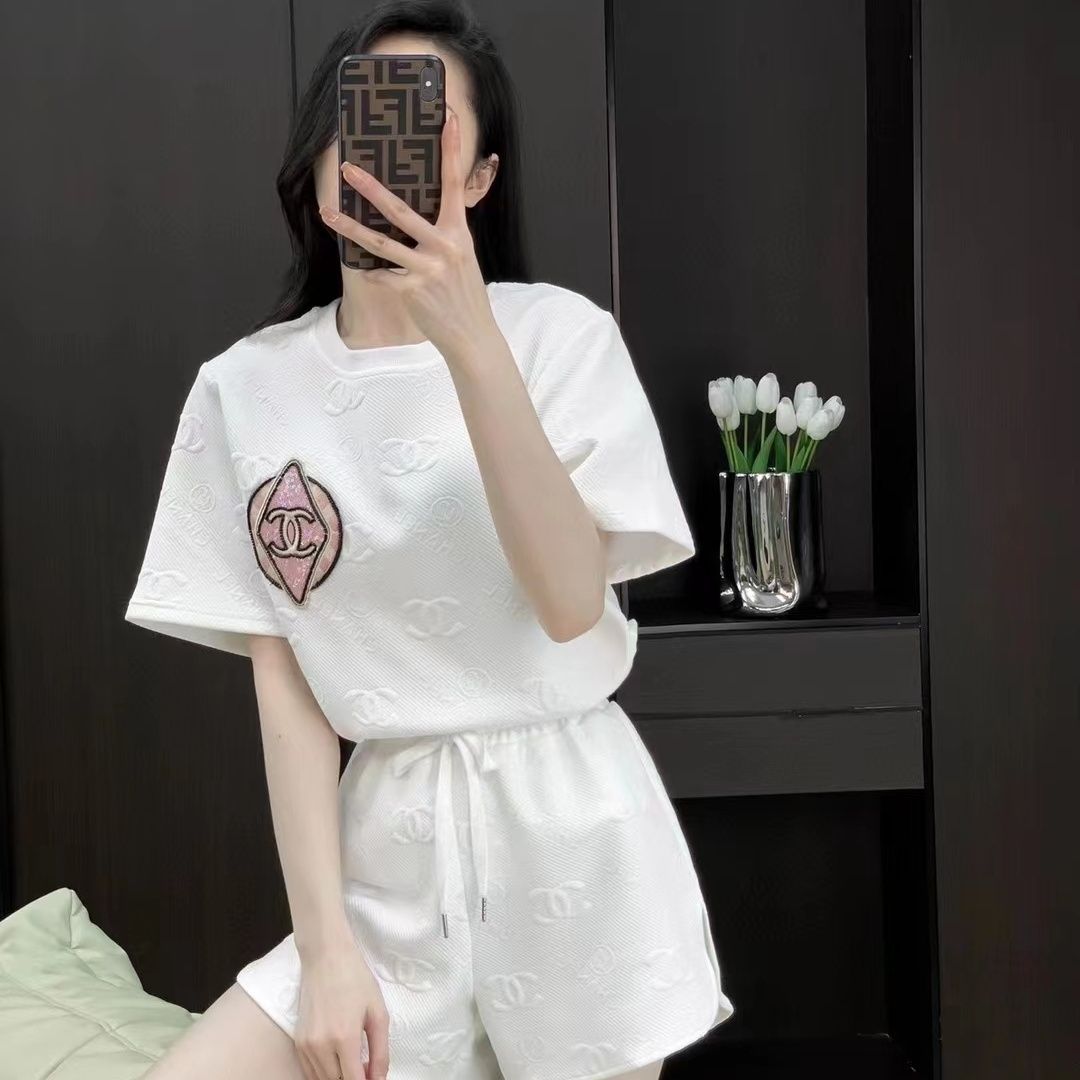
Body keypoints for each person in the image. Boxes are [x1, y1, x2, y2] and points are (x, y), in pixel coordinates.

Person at [127, 2, 734, 1077]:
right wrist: (325, 953)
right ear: (322, 151)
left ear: (482, 176)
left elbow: (569, 603)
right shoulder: (246, 389)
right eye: (361, 113)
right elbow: (287, 684)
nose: (381, 146)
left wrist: (472, 343)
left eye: (425, 119)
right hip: (383, 863)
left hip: (574, 842)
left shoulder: (561, 339)